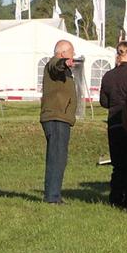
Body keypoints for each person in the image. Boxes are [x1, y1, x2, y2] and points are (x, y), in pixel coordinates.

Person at [99, 41, 127, 211]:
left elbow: (104, 102)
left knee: (118, 164)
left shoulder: (108, 76)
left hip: (114, 123)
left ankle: (115, 198)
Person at [40, 39, 78, 204]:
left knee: (59, 157)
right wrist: (64, 62)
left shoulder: (62, 70)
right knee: (57, 157)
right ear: (63, 53)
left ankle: (53, 194)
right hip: (56, 117)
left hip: (60, 117)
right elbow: (56, 65)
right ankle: (52, 197)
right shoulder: (53, 63)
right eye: (71, 52)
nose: (73, 55)